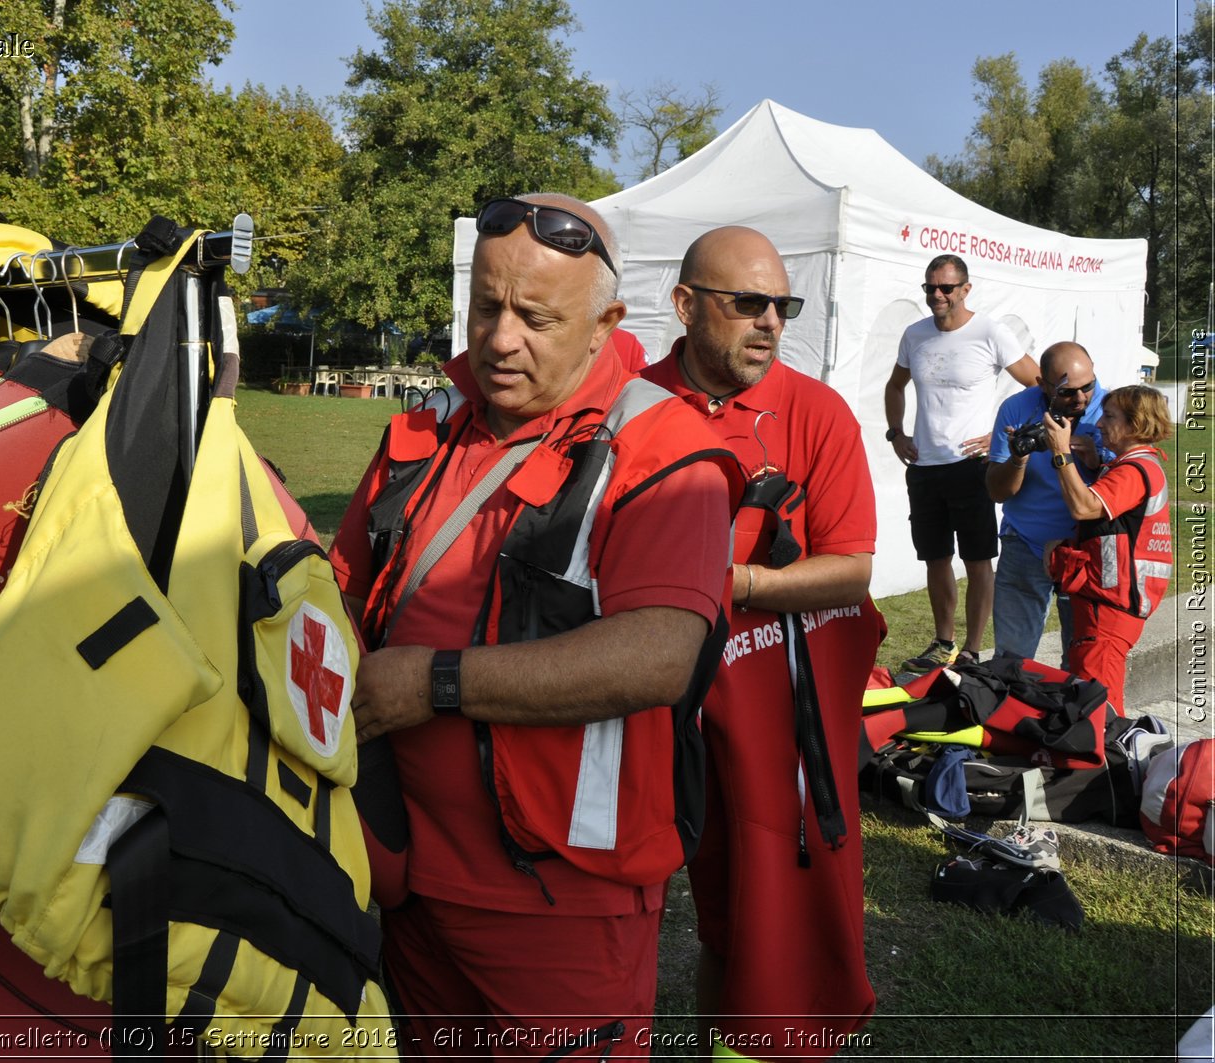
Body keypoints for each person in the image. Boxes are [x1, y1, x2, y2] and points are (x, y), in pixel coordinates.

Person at [329, 193, 738, 1057]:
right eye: (487, 306)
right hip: (395, 867)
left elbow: (662, 652)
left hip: (558, 903)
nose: (501, 338)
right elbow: (341, 583)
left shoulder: (664, 450)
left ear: (604, 324)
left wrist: (437, 682)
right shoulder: (432, 420)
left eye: (536, 316)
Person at [642, 225, 882, 1060]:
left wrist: (726, 584)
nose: (772, 321)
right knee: (628, 901)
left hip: (764, 724)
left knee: (755, 919)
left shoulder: (817, 412)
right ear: (685, 305)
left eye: (783, 304)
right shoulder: (630, 407)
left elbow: (850, 570)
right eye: (749, 303)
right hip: (638, 704)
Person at [884, 254, 1039, 671]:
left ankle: (971, 649)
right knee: (934, 558)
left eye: (946, 288)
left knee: (976, 559)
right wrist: (896, 432)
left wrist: (1001, 432)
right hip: (925, 468)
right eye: (930, 287)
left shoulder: (990, 331)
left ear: (965, 289)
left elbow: (1039, 385)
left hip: (973, 467)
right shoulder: (914, 335)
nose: (937, 295)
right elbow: (895, 386)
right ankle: (943, 642)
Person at [1044, 385, 1174, 716]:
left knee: (1096, 710)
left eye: (1110, 416)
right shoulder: (1136, 465)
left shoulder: (1132, 471)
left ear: (1136, 424)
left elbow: (1085, 508)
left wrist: (1062, 453)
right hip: (1108, 603)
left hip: (1110, 609)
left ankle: (1104, 765)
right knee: (1091, 696)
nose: (1099, 423)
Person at [985, 342, 1108, 661]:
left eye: (1088, 387)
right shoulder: (1015, 409)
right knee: (1011, 660)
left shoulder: (1111, 409)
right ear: (1042, 384)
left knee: (1084, 663)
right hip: (1025, 542)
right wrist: (1018, 458)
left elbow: (1131, 479)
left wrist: (1097, 457)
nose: (1081, 400)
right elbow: (997, 492)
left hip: (1087, 548)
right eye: (1067, 392)